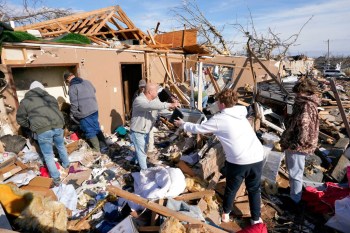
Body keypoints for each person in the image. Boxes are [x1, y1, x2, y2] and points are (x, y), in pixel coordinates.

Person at [174, 89, 264, 225]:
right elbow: (248, 110)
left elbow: (199, 128)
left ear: (221, 104)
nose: (215, 103)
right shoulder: (241, 110)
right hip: (257, 155)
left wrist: (183, 124)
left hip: (239, 160)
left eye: (217, 101)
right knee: (254, 189)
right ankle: (256, 219)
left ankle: (226, 214)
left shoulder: (219, 119)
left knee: (231, 188)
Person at [16, 81, 70, 186]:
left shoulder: (26, 101)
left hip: (43, 130)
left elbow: (20, 119)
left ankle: (56, 179)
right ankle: (67, 166)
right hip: (58, 125)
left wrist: (31, 125)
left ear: (30, 90)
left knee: (48, 155)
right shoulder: (51, 98)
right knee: (61, 146)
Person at [280, 78, 320, 205]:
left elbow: (304, 127)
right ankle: (294, 192)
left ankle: (295, 199)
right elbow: (295, 123)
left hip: (298, 145)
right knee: (294, 171)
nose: (297, 95)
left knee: (295, 172)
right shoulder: (308, 104)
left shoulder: (305, 106)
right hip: (299, 143)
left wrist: (296, 145)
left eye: (299, 92)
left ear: (306, 92)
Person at [130, 83, 180, 170]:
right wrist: (169, 104)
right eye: (155, 91)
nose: (157, 92)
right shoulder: (139, 100)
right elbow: (150, 106)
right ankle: (145, 171)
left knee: (142, 150)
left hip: (146, 131)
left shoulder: (154, 101)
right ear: (149, 92)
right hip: (137, 131)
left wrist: (177, 117)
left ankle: (134, 162)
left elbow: (162, 110)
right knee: (142, 152)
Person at [64, 71, 107, 153]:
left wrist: (72, 114)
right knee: (96, 127)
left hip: (84, 113)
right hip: (94, 109)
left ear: (68, 80)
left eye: (67, 82)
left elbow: (74, 104)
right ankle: (104, 145)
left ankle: (97, 149)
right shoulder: (87, 82)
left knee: (89, 130)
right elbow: (94, 90)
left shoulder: (72, 88)